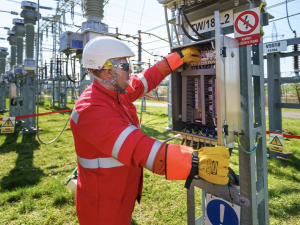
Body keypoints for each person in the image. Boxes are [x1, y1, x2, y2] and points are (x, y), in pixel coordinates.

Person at [70, 36, 230, 224]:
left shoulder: (113, 93)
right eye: (125, 65)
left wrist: (175, 59)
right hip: (102, 208)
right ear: (108, 72)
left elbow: (143, 81)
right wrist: (194, 162)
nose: (130, 70)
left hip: (118, 196)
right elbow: (139, 148)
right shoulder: (91, 109)